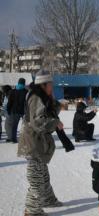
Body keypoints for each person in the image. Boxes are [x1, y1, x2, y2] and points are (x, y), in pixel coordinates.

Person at [18, 70, 64, 216]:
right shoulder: (36, 97)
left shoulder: (43, 96)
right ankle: (31, 210)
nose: (52, 86)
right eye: (50, 84)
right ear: (43, 84)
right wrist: (55, 123)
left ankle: (47, 199)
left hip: (38, 143)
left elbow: (48, 112)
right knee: (36, 178)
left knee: (42, 174)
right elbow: (38, 121)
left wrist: (55, 102)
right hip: (33, 143)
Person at [7, 78, 28, 143]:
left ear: (18, 83)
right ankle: (26, 140)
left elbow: (9, 102)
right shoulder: (26, 91)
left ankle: (13, 139)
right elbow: (27, 102)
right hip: (23, 111)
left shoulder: (12, 91)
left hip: (15, 111)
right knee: (26, 126)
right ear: (24, 83)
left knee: (14, 126)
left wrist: (8, 110)